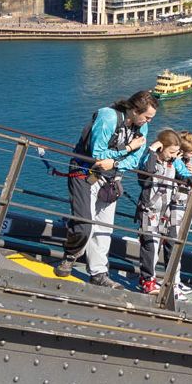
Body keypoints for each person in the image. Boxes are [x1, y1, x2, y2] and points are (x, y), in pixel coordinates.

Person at [61, 89, 156, 285]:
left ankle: (98, 273)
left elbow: (134, 161)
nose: (149, 122)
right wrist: (128, 148)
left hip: (112, 178)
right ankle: (70, 256)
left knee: (104, 228)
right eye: (147, 117)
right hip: (84, 173)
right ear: (135, 110)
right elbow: (97, 153)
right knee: (84, 223)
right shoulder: (108, 117)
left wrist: (114, 164)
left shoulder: (141, 129)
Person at [135, 129, 192, 293]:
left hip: (165, 211)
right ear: (161, 148)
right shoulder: (150, 159)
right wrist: (151, 150)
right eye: (170, 151)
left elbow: (183, 173)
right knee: (150, 245)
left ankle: (165, 280)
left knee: (167, 243)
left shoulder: (173, 161)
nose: (173, 156)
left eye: (176, 152)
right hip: (149, 209)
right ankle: (147, 279)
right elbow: (146, 172)